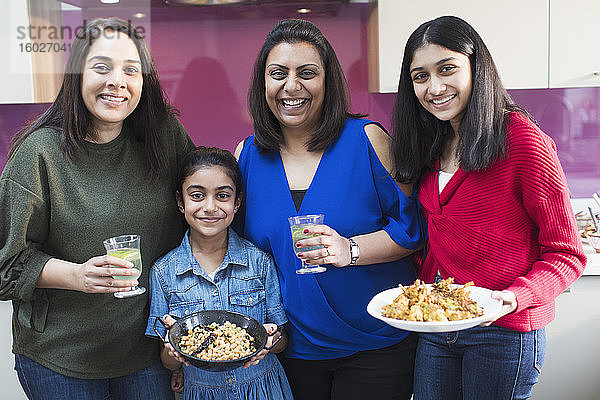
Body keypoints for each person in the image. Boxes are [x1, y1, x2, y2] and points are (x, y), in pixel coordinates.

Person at [390, 15, 586, 400]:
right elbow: (443, 235)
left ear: (476, 67)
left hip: (504, 330)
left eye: (447, 69)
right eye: (420, 76)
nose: (434, 87)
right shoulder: (432, 142)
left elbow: (567, 254)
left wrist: (517, 296)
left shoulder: (522, 141)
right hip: (440, 323)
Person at [0, 18, 195, 399]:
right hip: (61, 356)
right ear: (77, 75)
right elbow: (5, 266)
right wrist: (77, 276)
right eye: (102, 67)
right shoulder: (38, 155)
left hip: (147, 349)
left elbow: (200, 206)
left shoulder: (164, 136)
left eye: (130, 70)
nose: (117, 81)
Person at [235, 19, 423, 400]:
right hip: (291, 347)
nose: (291, 87)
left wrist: (348, 250)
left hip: (376, 342)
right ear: (263, 84)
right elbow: (241, 253)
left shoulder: (368, 140)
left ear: (328, 82)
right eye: (278, 74)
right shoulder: (247, 156)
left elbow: (412, 231)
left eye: (307, 73)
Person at [146, 146, 293, 399]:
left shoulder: (260, 263)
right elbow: (168, 362)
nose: (210, 207)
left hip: (263, 389)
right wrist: (172, 349)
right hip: (202, 392)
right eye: (197, 195)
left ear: (237, 202)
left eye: (223, 196)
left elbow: (282, 343)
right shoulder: (163, 272)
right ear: (181, 202)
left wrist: (270, 340)